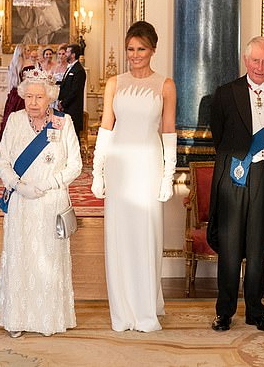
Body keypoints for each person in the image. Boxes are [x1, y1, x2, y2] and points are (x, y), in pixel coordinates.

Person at [91, 21, 177, 332]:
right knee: (120, 237)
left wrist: (168, 176)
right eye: (130, 49)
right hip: (119, 166)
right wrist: (98, 172)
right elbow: (105, 128)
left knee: (146, 235)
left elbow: (169, 132)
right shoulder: (114, 82)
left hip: (148, 165)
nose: (135, 54)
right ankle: (124, 310)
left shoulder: (165, 85)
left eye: (141, 49)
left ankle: (145, 308)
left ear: (153, 49)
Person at [206, 36, 264, 333]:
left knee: (257, 249)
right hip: (235, 177)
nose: (260, 66)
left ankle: (256, 311)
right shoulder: (225, 93)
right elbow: (219, 137)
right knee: (231, 249)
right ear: (246, 61)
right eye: (255, 60)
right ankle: (225, 311)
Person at [0, 69, 82, 337]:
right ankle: (17, 319)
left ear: (50, 98)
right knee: (21, 259)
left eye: (39, 97)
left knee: (49, 260)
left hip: (51, 202)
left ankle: (47, 319)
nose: (33, 102)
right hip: (22, 203)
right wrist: (19, 186)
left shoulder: (62, 122)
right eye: (28, 96)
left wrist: (48, 184)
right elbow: (2, 161)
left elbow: (75, 165)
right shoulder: (15, 120)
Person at [0, 45, 27, 165]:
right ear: (23, 52)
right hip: (22, 97)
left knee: (9, 125)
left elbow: (12, 83)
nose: (29, 52)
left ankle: (4, 155)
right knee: (21, 126)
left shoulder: (13, 64)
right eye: (27, 50)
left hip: (13, 96)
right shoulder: (26, 65)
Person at [58, 44, 86, 141]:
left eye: (68, 52)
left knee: (73, 137)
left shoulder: (79, 70)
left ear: (73, 55)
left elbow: (75, 91)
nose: (65, 54)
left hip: (73, 109)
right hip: (67, 108)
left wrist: (63, 103)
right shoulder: (70, 68)